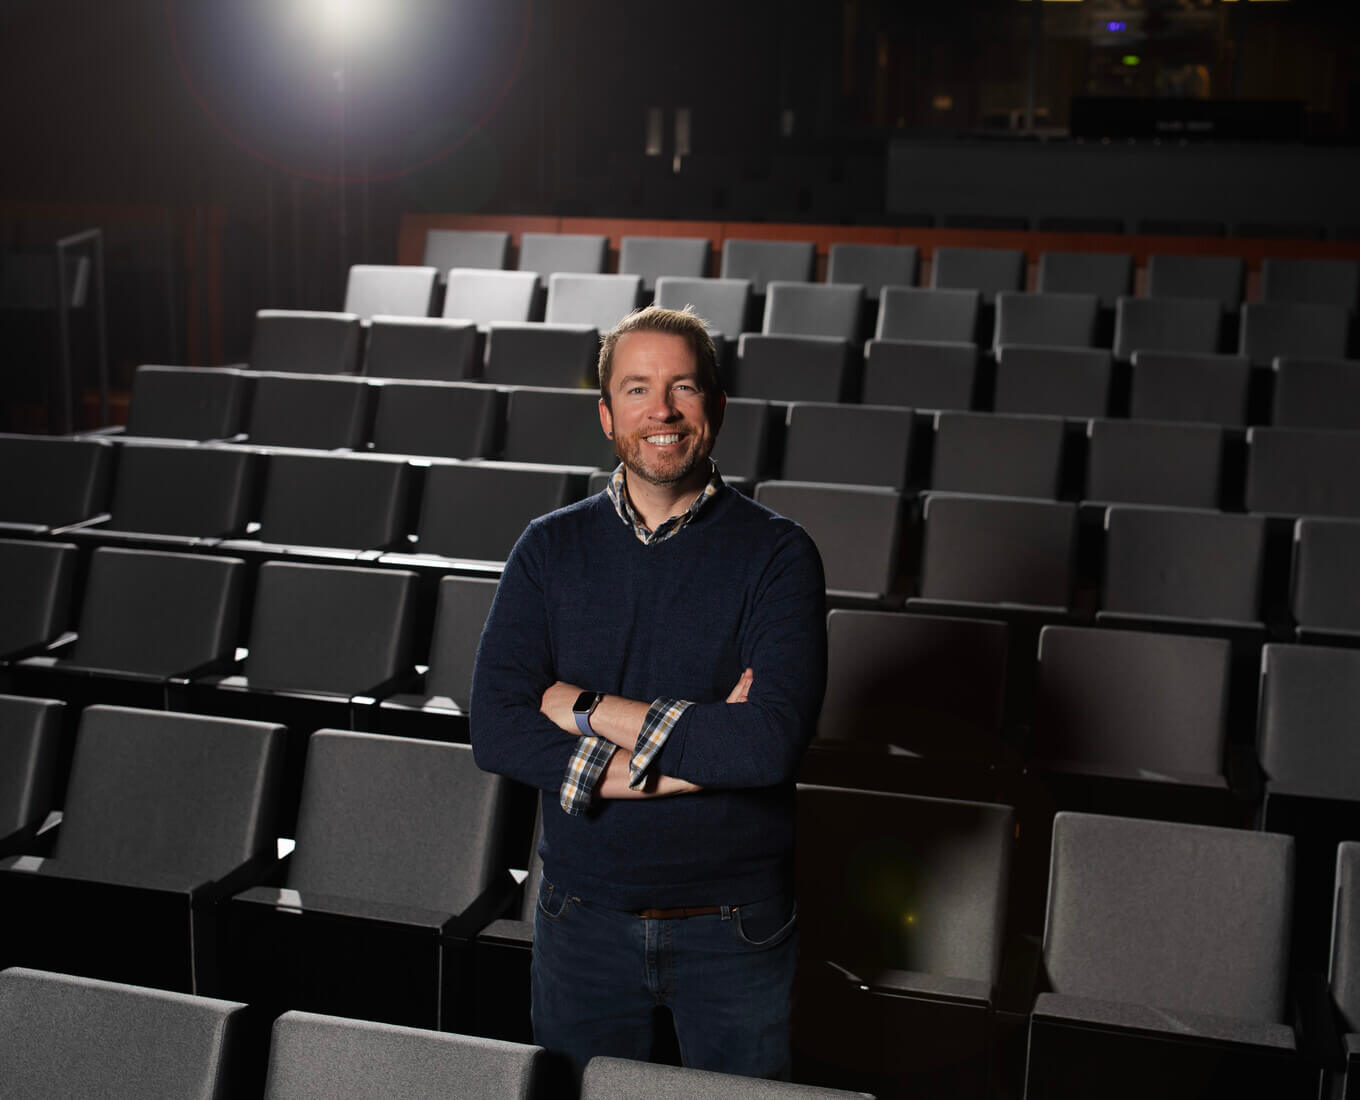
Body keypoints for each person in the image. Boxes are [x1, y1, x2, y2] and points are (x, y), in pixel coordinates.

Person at [469, 304, 826, 1081]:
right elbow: (495, 729)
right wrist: (699, 748)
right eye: (637, 390)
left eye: (683, 388)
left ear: (717, 408)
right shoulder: (547, 547)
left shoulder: (781, 555)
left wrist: (587, 707)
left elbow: (766, 745)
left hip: (736, 927)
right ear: (607, 415)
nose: (661, 411)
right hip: (580, 920)